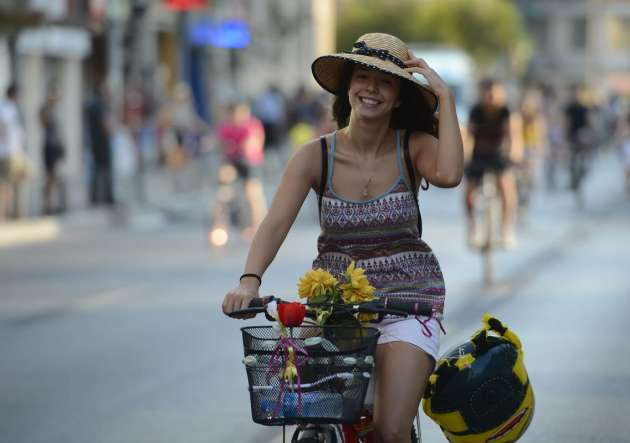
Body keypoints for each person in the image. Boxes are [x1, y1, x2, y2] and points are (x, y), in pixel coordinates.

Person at [222, 33, 464, 442]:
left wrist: (445, 96)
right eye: (362, 77)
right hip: (335, 306)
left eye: (385, 81)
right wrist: (250, 280)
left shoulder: (415, 147)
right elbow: (275, 223)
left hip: (408, 302)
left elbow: (451, 173)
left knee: (389, 431)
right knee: (317, 418)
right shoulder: (315, 155)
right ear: (348, 86)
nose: (371, 89)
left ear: (400, 95)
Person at [464, 78, 521, 248]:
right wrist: (464, 157)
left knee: (506, 186)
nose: (491, 96)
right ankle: (474, 227)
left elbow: (514, 135)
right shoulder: (476, 111)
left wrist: (515, 152)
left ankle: (505, 228)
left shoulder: (507, 111)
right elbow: (469, 136)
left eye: (494, 92)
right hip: (479, 155)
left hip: (499, 155)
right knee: (469, 192)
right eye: (487, 93)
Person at [214, 99, 267, 239]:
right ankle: (220, 225)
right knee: (223, 191)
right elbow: (220, 145)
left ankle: (258, 226)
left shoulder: (252, 125)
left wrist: (247, 146)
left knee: (253, 193)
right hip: (232, 161)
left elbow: (255, 142)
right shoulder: (226, 127)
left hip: (249, 162)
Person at [0, 83, 29, 219]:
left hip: (16, 152)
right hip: (7, 152)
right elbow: (2, 127)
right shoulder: (4, 108)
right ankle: (5, 213)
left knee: (18, 180)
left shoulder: (13, 108)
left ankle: (15, 212)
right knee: (6, 183)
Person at [85, 84, 115, 206]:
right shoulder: (100, 106)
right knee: (104, 170)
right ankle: (106, 197)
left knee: (96, 169)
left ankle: (95, 197)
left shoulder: (91, 105)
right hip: (102, 143)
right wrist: (111, 131)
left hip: (94, 142)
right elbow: (106, 126)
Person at [40, 88, 65, 214]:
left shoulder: (55, 111)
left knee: (55, 176)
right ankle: (46, 205)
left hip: (55, 147)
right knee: (50, 176)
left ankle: (54, 204)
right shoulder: (45, 109)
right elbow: (43, 123)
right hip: (49, 147)